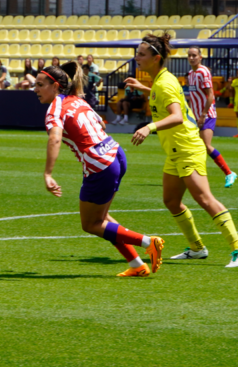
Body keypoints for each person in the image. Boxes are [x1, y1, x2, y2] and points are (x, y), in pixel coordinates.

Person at [126, 32, 238, 268]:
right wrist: (143, 87)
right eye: (137, 53)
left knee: (204, 198)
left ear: (156, 58)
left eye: (141, 54)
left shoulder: (164, 82)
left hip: (187, 148)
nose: (136, 58)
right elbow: (163, 99)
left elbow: (176, 116)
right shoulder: (160, 81)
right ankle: (197, 248)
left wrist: (148, 127)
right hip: (175, 151)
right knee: (171, 201)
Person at [36, 61, 165, 277]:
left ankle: (148, 242)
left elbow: (55, 138)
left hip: (100, 164)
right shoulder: (77, 100)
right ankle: (137, 265)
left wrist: (48, 174)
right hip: (116, 154)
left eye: (40, 85)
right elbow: (101, 125)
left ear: (55, 86)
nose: (35, 90)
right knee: (102, 219)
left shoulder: (55, 108)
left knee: (90, 224)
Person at [186, 47, 236, 186]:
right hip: (195, 116)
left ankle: (229, 173)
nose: (191, 58)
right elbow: (193, 96)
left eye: (194, 55)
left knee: (206, 146)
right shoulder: (190, 73)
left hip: (207, 114)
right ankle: (192, 175)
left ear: (200, 57)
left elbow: (210, 95)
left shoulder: (204, 72)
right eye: (189, 55)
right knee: (194, 146)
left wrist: (202, 115)